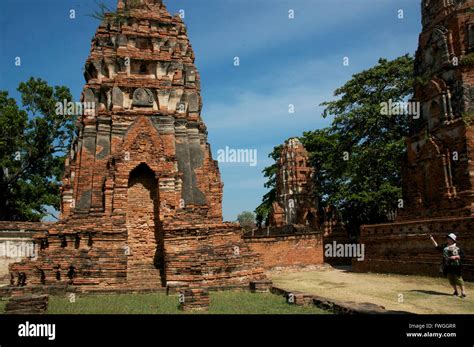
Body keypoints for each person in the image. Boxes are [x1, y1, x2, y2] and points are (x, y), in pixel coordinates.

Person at [429, 233, 466, 298]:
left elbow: (463, 255)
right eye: (447, 238)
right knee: (451, 278)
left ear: (452, 240)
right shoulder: (445, 246)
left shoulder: (457, 247)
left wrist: (456, 257)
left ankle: (463, 292)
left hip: (456, 265)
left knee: (458, 278)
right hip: (447, 265)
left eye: (449, 238)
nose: (447, 239)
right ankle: (456, 291)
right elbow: (437, 247)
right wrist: (432, 239)